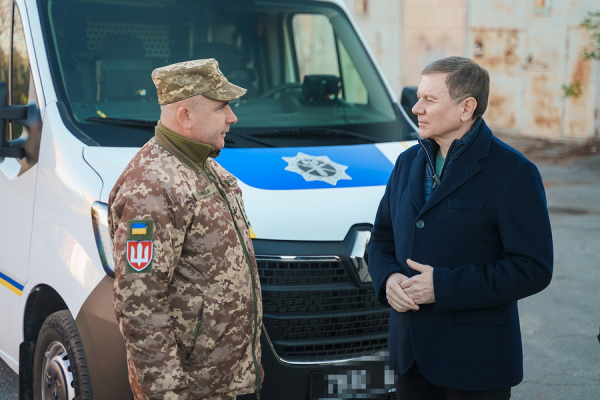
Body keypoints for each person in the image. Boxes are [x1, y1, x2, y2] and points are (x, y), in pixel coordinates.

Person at [367, 56, 553, 399]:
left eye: (430, 100)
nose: (416, 109)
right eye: (418, 97)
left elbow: (533, 268)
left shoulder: (513, 171)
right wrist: (388, 278)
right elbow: (381, 237)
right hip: (409, 357)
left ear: (467, 107)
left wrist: (444, 286)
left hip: (476, 362)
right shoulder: (407, 161)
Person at [108, 58, 263, 400]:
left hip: (220, 383)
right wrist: (168, 393)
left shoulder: (207, 169)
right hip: (188, 390)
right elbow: (140, 305)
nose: (232, 117)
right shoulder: (149, 188)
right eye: (222, 107)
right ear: (186, 116)